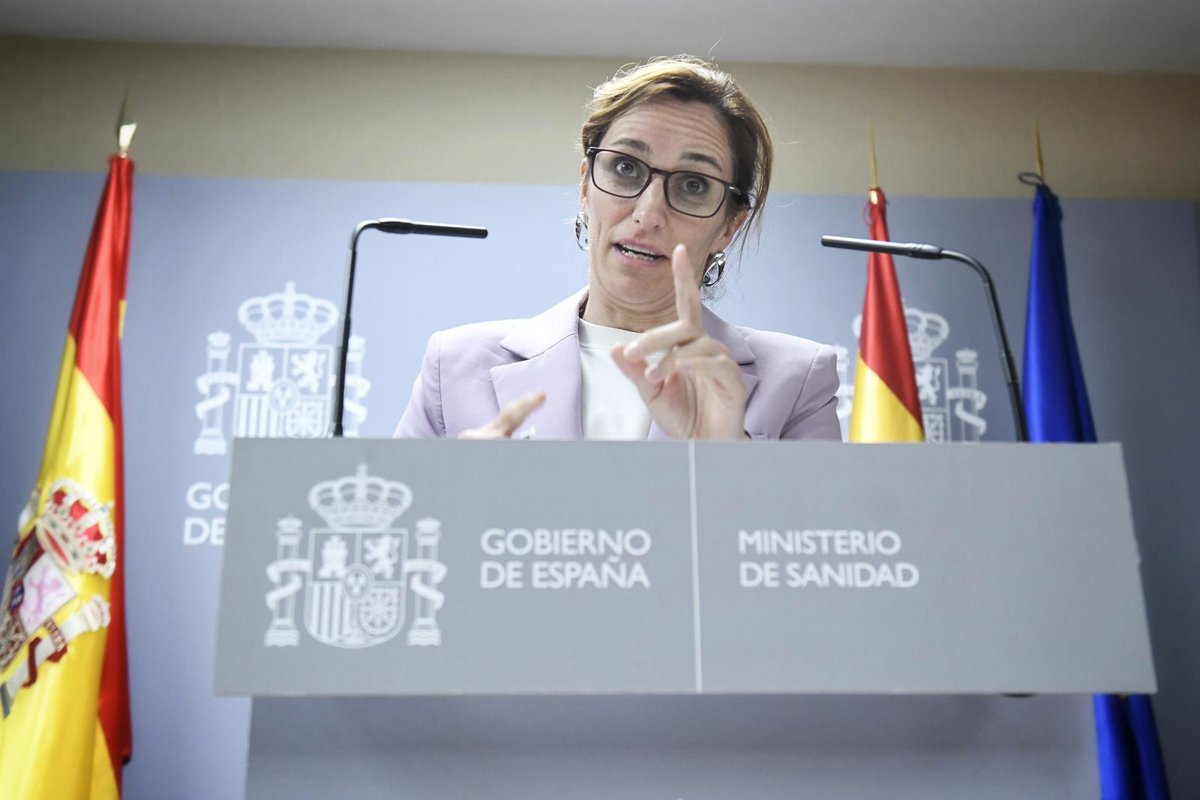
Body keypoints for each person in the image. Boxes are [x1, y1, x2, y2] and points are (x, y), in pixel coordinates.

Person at [396, 56, 841, 441]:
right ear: (585, 187)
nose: (648, 214)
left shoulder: (797, 380)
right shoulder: (454, 366)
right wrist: (459, 493)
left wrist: (727, 456)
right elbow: (392, 514)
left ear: (729, 225)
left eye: (692, 185)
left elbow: (816, 517)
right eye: (626, 168)